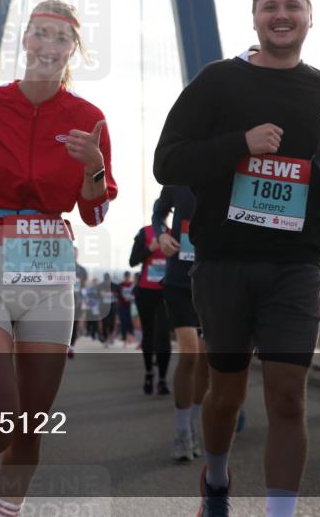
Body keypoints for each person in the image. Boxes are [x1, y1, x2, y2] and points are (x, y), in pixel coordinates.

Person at [154, 0, 320, 517]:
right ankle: (216, 481)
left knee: (288, 394)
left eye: (292, 6)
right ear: (254, 17)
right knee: (226, 393)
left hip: (296, 265)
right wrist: (239, 144)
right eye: (270, 6)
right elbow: (166, 162)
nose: (281, 15)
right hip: (223, 263)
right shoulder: (218, 82)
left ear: (310, 17)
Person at [0, 0, 116, 517]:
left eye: (61, 38)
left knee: (29, 421)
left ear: (73, 50)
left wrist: (94, 172)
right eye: (41, 34)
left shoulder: (88, 119)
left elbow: (96, 216)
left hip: (50, 275)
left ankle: (1, 511)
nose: (49, 46)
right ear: (25, 40)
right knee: (1, 410)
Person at [152, 185, 208, 461]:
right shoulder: (177, 174)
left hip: (216, 280)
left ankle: (194, 423)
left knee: (208, 360)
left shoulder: (231, 164)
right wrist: (161, 233)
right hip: (179, 281)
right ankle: (182, 431)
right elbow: (159, 210)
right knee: (190, 354)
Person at [129, 222, 173, 396]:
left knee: (163, 335)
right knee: (149, 334)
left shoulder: (174, 232)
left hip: (167, 292)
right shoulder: (144, 233)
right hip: (146, 292)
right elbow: (132, 261)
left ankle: (162, 379)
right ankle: (149, 373)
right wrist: (150, 248)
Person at [115, 271, 135, 347]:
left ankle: (130, 335)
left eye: (128, 276)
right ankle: (124, 338)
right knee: (123, 321)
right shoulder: (120, 285)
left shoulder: (132, 285)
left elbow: (135, 294)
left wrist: (130, 298)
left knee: (130, 321)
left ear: (129, 277)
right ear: (124, 277)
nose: (127, 278)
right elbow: (117, 294)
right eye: (126, 276)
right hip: (122, 306)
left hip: (130, 306)